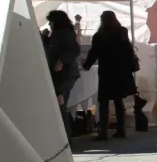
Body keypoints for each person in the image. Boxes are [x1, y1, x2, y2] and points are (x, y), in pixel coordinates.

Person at [82, 11, 137, 141]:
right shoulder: (122, 32)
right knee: (119, 101)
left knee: (104, 102)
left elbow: (93, 53)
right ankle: (121, 129)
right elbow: (128, 50)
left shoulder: (99, 36)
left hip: (106, 72)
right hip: (121, 71)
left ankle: (103, 132)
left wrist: (86, 66)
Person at [44, 10, 81, 141]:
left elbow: (75, 50)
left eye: (51, 22)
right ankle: (63, 138)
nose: (49, 24)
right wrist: (44, 38)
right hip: (59, 76)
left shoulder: (66, 34)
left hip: (65, 75)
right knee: (59, 105)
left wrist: (62, 60)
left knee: (60, 105)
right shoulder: (56, 34)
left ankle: (66, 140)